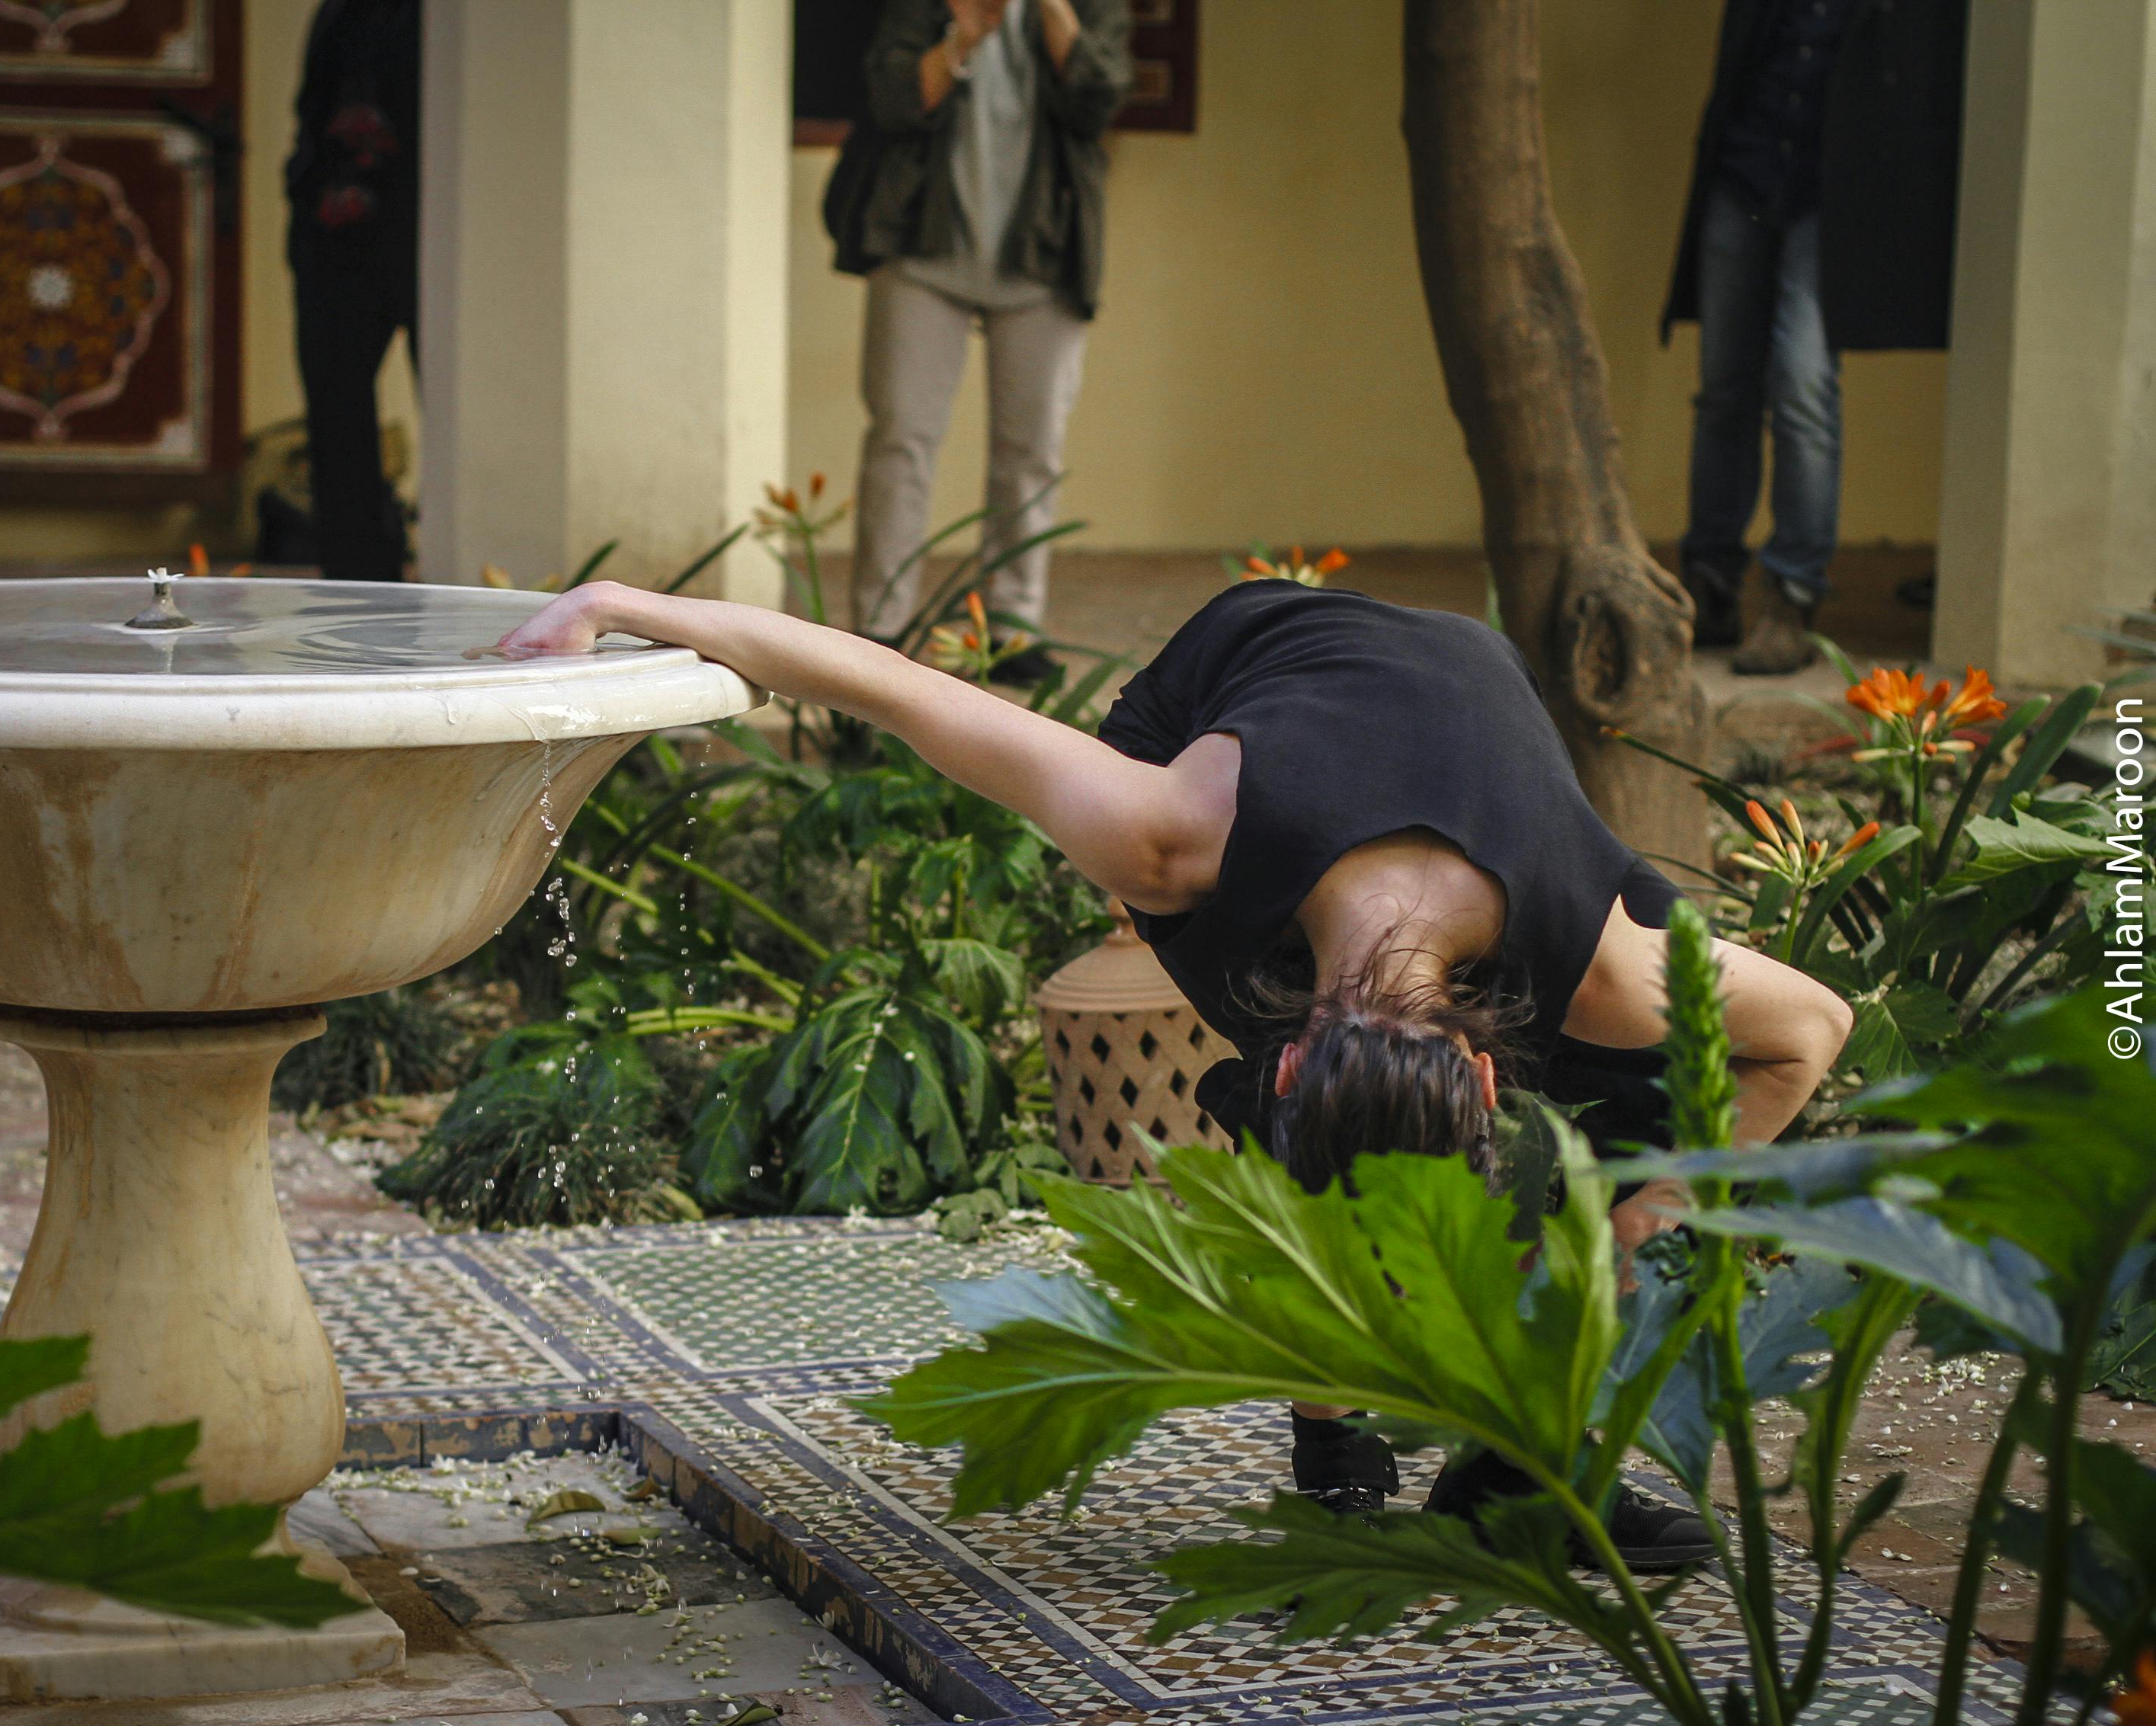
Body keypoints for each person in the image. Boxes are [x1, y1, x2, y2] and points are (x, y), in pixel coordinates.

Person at [497, 573, 1855, 1571]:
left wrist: (1645, 1218)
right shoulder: (1166, 830)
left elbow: (1809, 1029)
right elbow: (898, 690)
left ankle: (1520, 1461)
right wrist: (619, 603)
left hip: (1477, 717)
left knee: (1650, 1120)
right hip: (1244, 670)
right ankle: (1337, 1454)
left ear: (1491, 1076)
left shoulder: (1602, 966)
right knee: (1325, 1165)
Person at [824, 0, 1131, 679]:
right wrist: (964, 34)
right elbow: (892, 98)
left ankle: (1013, 629)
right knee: (901, 438)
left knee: (1032, 448)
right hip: (919, 246)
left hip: (1045, 255)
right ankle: (881, 633)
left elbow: (1099, 98)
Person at [1662, 0, 1967, 674]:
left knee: (1803, 385)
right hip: (1742, 172)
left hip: (1834, 198)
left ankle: (1792, 594)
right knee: (1722, 389)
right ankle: (1709, 582)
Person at [286, 0, 421, 582]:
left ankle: (462, 559)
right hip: (337, 236)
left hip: (431, 237)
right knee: (337, 416)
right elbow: (315, 115)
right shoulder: (341, 12)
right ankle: (357, 578)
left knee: (462, 406)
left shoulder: (450, 19)